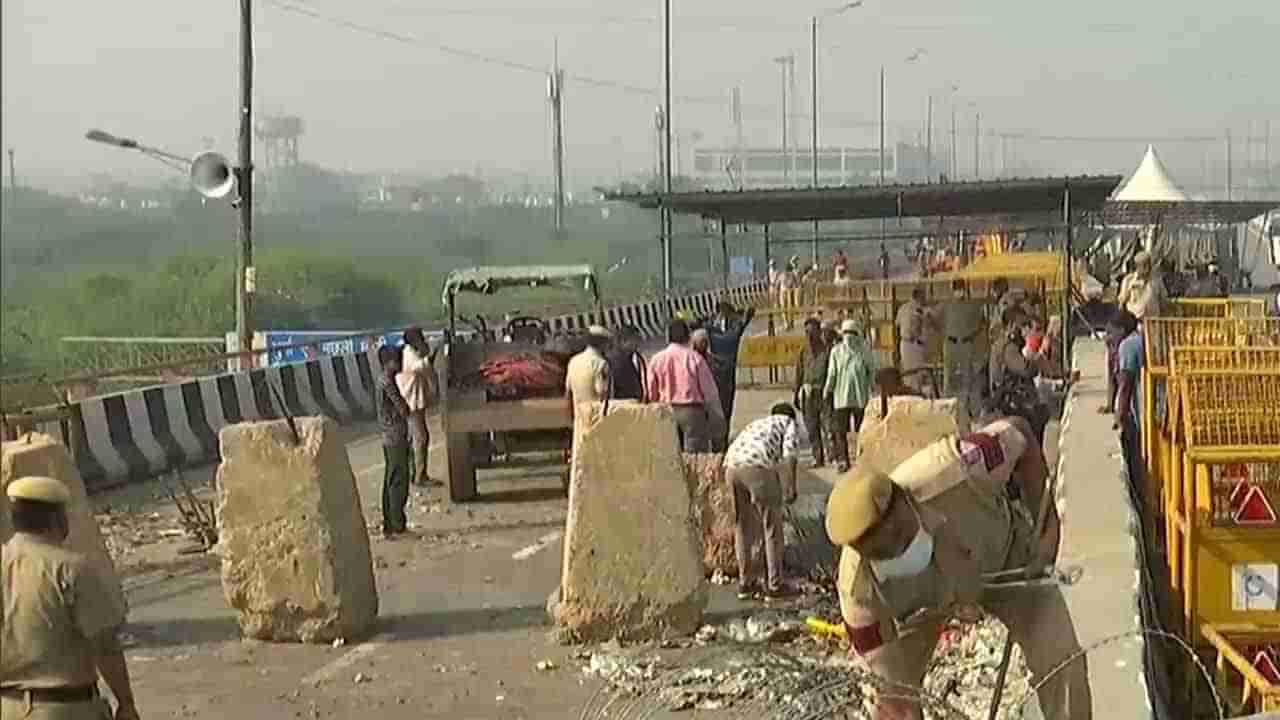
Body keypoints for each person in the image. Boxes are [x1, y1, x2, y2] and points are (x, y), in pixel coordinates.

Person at [825, 417, 1091, 720]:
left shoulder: (959, 467)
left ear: (903, 498)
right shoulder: (858, 594)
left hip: (1006, 564)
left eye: (901, 535)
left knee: (1061, 661)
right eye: (884, 553)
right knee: (885, 704)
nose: (900, 550)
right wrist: (901, 710)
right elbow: (893, 697)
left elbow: (1022, 433)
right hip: (920, 607)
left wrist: (1048, 534)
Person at [1, 475, 140, 720]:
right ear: (56, 518)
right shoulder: (71, 569)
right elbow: (104, 644)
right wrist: (126, 703)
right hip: (64, 709)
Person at [723, 402, 801, 601]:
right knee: (772, 527)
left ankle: (745, 582)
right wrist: (791, 485)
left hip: (731, 467)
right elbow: (790, 454)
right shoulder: (788, 423)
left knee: (742, 526)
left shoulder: (759, 423)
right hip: (756, 466)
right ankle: (775, 585)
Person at [646, 319, 724, 452]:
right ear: (688, 337)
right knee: (695, 453)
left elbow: (651, 390)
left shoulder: (656, 359)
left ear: (668, 337)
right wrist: (717, 417)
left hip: (666, 409)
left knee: (670, 451)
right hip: (692, 412)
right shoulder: (694, 358)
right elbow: (710, 392)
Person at [825, 319, 878, 473]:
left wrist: (873, 390)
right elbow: (832, 373)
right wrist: (828, 390)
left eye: (852, 333)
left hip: (860, 397)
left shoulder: (864, 351)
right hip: (840, 397)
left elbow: (871, 371)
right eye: (846, 333)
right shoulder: (836, 351)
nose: (848, 336)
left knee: (862, 430)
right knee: (840, 431)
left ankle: (862, 459)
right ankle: (843, 460)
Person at [706, 301, 756, 445]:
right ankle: (723, 439)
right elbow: (743, 323)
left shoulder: (712, 330)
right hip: (727, 374)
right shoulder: (734, 331)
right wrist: (745, 316)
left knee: (717, 410)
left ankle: (718, 441)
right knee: (726, 409)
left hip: (716, 374)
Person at [377, 344, 413, 538]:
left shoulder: (384, 380)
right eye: (397, 360)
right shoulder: (388, 383)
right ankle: (397, 522)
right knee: (398, 479)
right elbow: (403, 408)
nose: (400, 363)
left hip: (389, 436)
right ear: (388, 363)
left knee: (391, 478)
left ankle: (389, 522)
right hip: (395, 435)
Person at [397, 327, 439, 488]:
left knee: (414, 438)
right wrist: (431, 355)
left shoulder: (412, 351)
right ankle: (420, 476)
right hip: (411, 403)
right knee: (421, 438)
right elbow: (420, 367)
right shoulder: (409, 353)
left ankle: (415, 473)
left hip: (413, 401)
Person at [794, 317, 831, 468]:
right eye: (806, 332)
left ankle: (832, 455)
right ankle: (818, 457)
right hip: (807, 394)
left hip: (822, 393)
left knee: (827, 427)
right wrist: (796, 392)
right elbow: (799, 373)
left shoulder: (827, 351)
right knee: (811, 428)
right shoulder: (803, 352)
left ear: (819, 332)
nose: (809, 335)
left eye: (812, 332)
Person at [1112, 310, 1144, 486]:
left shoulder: (1128, 345)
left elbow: (1125, 385)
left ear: (1122, 329)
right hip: (1156, 409)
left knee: (1137, 459)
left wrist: (1119, 416)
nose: (1108, 337)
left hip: (1141, 412)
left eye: (1111, 332)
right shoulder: (1142, 339)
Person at [895, 288, 938, 393]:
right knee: (915, 373)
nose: (924, 299)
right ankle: (914, 394)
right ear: (919, 297)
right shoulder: (919, 309)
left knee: (909, 372)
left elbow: (897, 325)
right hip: (914, 344)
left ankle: (911, 394)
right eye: (923, 297)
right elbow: (931, 325)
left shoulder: (903, 308)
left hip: (905, 343)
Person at [565, 325, 612, 413]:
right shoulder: (600, 363)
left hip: (579, 416)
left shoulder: (573, 361)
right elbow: (601, 391)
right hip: (596, 416)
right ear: (603, 343)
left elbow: (568, 390)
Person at [1116, 250, 1166, 321]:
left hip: (1153, 321)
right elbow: (1121, 302)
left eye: (1148, 264)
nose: (1147, 267)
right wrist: (1130, 288)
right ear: (1137, 266)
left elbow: (1163, 299)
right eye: (1144, 265)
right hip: (1134, 322)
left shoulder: (1157, 280)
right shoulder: (1128, 280)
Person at [604, 325, 646, 401]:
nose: (638, 343)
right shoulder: (616, 360)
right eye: (635, 340)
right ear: (623, 341)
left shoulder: (631, 356)